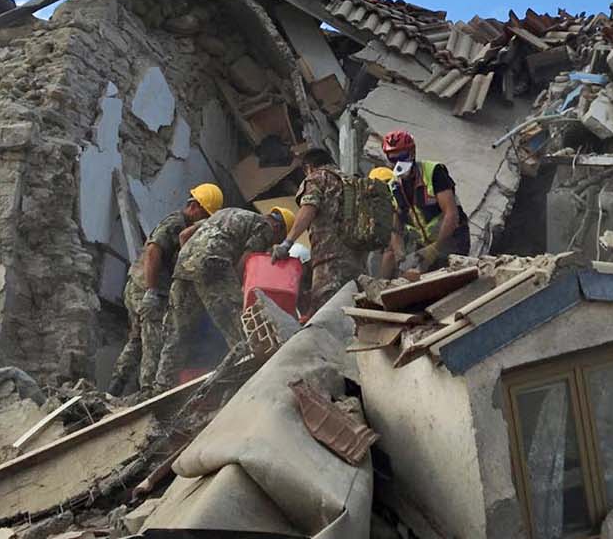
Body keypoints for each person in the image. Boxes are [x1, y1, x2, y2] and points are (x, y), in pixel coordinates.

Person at [153, 206, 293, 391]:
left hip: (184, 265)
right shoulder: (265, 227)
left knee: (177, 330)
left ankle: (162, 386)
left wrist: (192, 258)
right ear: (279, 228)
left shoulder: (227, 212)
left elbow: (184, 235)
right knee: (239, 325)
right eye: (276, 240)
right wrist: (235, 286)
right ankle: (252, 378)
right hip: (214, 262)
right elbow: (247, 259)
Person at [108, 182, 222, 396]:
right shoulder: (175, 224)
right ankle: (148, 392)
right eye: (204, 214)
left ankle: (116, 386)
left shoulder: (184, 226)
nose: (204, 221)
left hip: (144, 287)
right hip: (144, 288)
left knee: (137, 339)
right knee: (153, 338)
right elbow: (153, 252)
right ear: (195, 206)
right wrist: (151, 291)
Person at [274, 147, 365, 316]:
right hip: (357, 259)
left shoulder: (317, 178)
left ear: (309, 167)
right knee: (355, 308)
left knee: (326, 311)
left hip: (330, 260)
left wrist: (287, 243)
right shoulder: (352, 182)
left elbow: (309, 208)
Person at [379, 130, 470, 277]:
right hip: (425, 245)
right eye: (393, 158)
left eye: (402, 156)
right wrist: (400, 257)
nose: (398, 163)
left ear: (412, 153)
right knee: (405, 273)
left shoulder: (434, 172)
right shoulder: (394, 187)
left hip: (452, 238)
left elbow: (451, 214)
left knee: (445, 274)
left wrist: (435, 250)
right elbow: (396, 230)